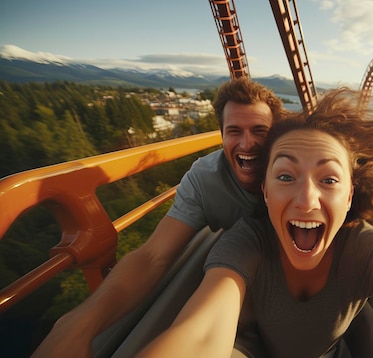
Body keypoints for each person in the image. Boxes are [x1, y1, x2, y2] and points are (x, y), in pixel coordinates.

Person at [33, 79, 373, 357]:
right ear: (267, 185)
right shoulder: (233, 223)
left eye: (328, 179)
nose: (306, 197)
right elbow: (169, 279)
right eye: (233, 131)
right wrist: (81, 321)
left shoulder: (364, 240)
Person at [32, 78, 286, 358]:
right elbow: (153, 256)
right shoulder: (204, 179)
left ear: (277, 135)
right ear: (221, 135)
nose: (247, 143)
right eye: (234, 131)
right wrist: (78, 325)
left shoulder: (300, 176)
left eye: (259, 130)